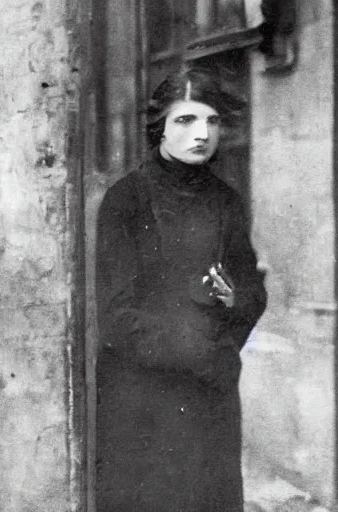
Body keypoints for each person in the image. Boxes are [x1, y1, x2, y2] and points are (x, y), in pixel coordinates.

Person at [94, 69, 267, 511]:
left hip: (209, 399)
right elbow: (116, 316)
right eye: (186, 120)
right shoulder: (126, 199)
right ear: (160, 129)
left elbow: (251, 293)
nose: (202, 133)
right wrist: (202, 352)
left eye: (211, 121)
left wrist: (235, 301)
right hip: (143, 397)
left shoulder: (227, 201)